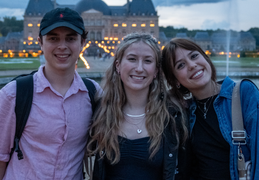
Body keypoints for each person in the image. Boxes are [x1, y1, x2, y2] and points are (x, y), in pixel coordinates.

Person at [0, 7, 101, 180]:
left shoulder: (94, 94)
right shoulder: (13, 95)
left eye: (70, 38)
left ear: (83, 43)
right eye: (53, 38)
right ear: (41, 42)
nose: (62, 46)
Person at [88, 33, 189, 180]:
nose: (139, 68)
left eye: (148, 61)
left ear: (156, 71)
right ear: (118, 65)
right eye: (132, 59)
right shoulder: (100, 110)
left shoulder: (173, 116)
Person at [161, 38, 259, 180]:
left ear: (205, 58)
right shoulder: (183, 111)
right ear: (175, 81)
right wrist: (171, 97)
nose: (192, 65)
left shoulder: (244, 93)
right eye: (181, 65)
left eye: (194, 56)